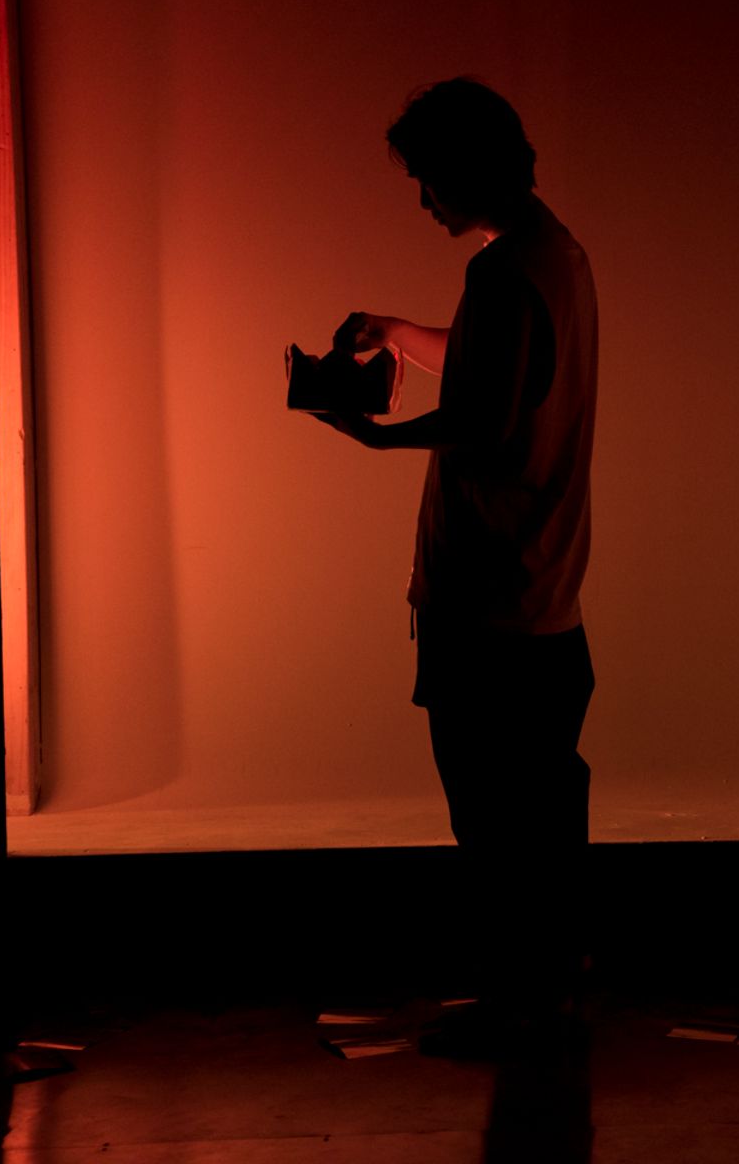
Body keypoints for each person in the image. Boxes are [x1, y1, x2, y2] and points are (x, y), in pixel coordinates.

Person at [314, 78, 599, 1038]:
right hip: (542, 591)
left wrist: (370, 433)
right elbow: (496, 370)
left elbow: (482, 418)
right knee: (538, 813)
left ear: (468, 168)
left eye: (428, 176)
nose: (422, 197)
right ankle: (546, 989)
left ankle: (519, 1004)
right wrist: (397, 333)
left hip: (487, 597)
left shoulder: (505, 274)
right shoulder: (552, 256)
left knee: (491, 817)